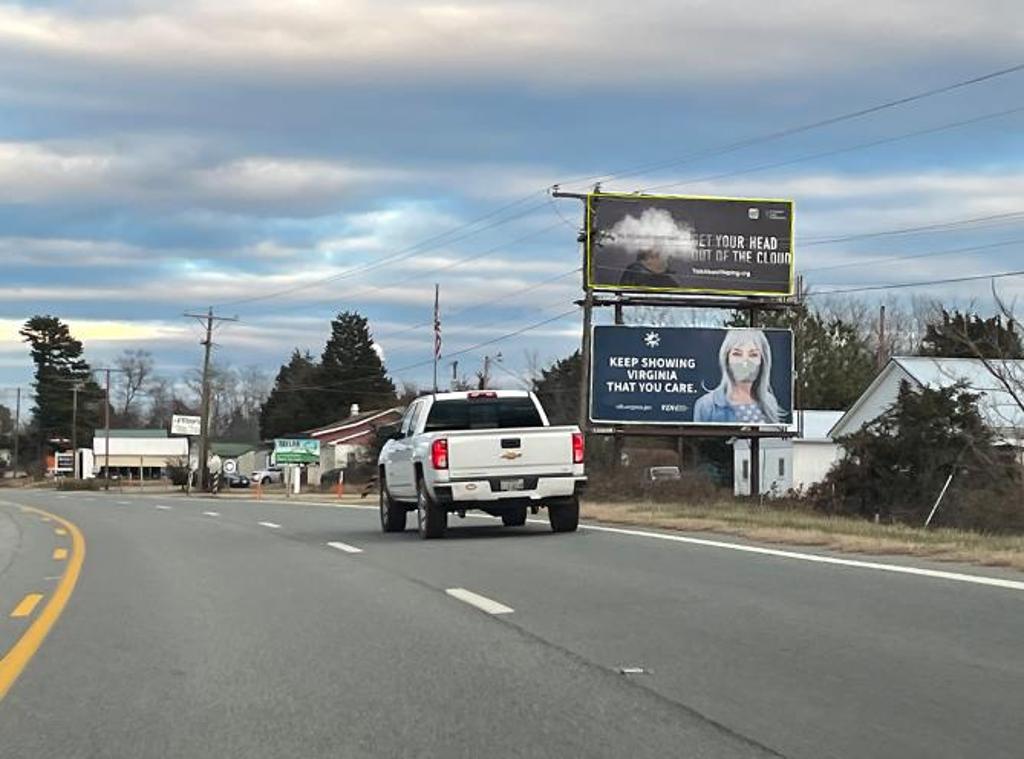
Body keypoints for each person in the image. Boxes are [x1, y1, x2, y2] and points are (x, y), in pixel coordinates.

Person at [693, 328, 783, 424]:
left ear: (763, 361)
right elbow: (699, 438)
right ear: (726, 359)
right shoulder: (706, 405)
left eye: (753, 355)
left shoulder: (770, 402)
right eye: (737, 354)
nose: (745, 362)